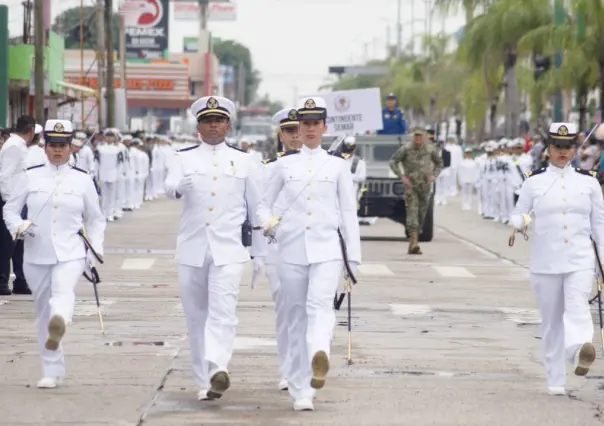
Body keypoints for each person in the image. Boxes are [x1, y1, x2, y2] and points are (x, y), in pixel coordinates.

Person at [258, 96, 361, 412]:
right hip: (290, 250)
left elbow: (348, 212)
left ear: (325, 127)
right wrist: (267, 221)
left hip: (327, 249)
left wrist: (352, 259)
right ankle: (302, 390)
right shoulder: (282, 165)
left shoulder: (338, 166)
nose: (311, 129)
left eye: (316, 123)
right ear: (298, 129)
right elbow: (263, 204)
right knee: (297, 314)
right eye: (306, 124)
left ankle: (320, 355)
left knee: (319, 306)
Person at [164, 95, 263, 401]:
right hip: (193, 248)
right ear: (198, 126)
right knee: (196, 317)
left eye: (219, 120)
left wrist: (259, 252)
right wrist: (179, 187)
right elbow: (169, 186)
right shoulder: (181, 157)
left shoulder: (246, 161)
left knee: (223, 312)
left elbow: (256, 208)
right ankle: (203, 379)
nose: (213, 126)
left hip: (229, 249)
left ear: (228, 124)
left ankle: (218, 367)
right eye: (207, 121)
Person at [2, 119, 105, 388]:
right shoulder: (29, 175)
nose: (57, 150)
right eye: (53, 145)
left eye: (63, 145)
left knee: (62, 292)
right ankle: (52, 367)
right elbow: (10, 209)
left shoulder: (82, 180)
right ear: (45, 147)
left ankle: (61, 317)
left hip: (71, 251)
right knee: (42, 311)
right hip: (36, 253)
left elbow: (96, 219)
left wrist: (95, 250)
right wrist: (18, 226)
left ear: (71, 148)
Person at [509, 122, 603, 396]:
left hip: (579, 259)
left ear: (576, 148)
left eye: (568, 147)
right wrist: (519, 221)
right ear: (549, 149)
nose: (563, 152)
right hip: (545, 263)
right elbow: (519, 212)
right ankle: (555, 379)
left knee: (577, 307)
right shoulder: (534, 181)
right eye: (557, 147)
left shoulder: (589, 183)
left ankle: (579, 350)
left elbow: (599, 226)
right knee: (551, 321)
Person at [253, 107, 303, 392]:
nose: (295, 136)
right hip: (279, 248)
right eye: (289, 130)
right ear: (280, 135)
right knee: (285, 310)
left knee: (310, 309)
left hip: (311, 248)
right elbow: (260, 208)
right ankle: (288, 369)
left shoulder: (323, 165)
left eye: (299, 129)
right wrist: (260, 248)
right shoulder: (270, 168)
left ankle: (305, 363)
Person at [388, 128, 443, 255]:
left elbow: (439, 163)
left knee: (421, 214)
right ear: (413, 137)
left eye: (420, 136)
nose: (418, 139)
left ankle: (414, 240)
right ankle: (414, 243)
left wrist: (434, 175)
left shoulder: (430, 149)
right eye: (416, 136)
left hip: (425, 187)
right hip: (411, 187)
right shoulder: (406, 149)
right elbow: (393, 162)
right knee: (412, 213)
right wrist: (401, 176)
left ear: (424, 137)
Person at [0, 115, 36, 295]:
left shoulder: (19, 145)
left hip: (19, 199)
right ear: (31, 131)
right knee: (7, 243)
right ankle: (2, 281)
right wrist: (9, 201)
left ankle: (21, 281)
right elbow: (4, 175)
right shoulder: (14, 146)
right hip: (11, 200)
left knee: (20, 242)